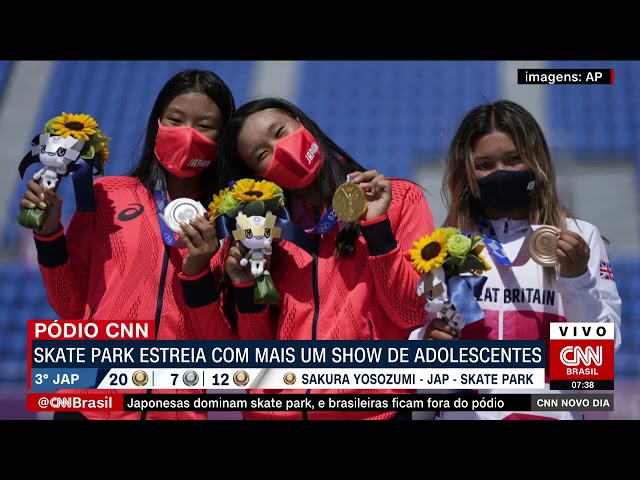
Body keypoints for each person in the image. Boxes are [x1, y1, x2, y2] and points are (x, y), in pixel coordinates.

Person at [182, 96, 435, 420]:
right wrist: (246, 286)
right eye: (263, 154)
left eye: (280, 131)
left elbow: (410, 312)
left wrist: (376, 228)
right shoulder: (262, 230)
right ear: (255, 174)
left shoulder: (396, 200)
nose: (281, 149)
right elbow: (255, 350)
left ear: (300, 123)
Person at [19, 68, 237, 420]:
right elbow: (69, 306)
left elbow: (222, 349)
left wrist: (198, 277)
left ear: (223, 138)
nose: (187, 134)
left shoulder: (231, 223)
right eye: (176, 120)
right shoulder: (106, 195)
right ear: (157, 125)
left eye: (205, 126)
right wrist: (49, 236)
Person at [410, 99, 622, 420]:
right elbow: (423, 375)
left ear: (536, 162)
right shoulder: (449, 247)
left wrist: (576, 279)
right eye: (485, 165)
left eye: (513, 160)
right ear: (467, 174)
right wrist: (428, 346)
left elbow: (595, 361)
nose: (500, 173)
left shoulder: (578, 238)